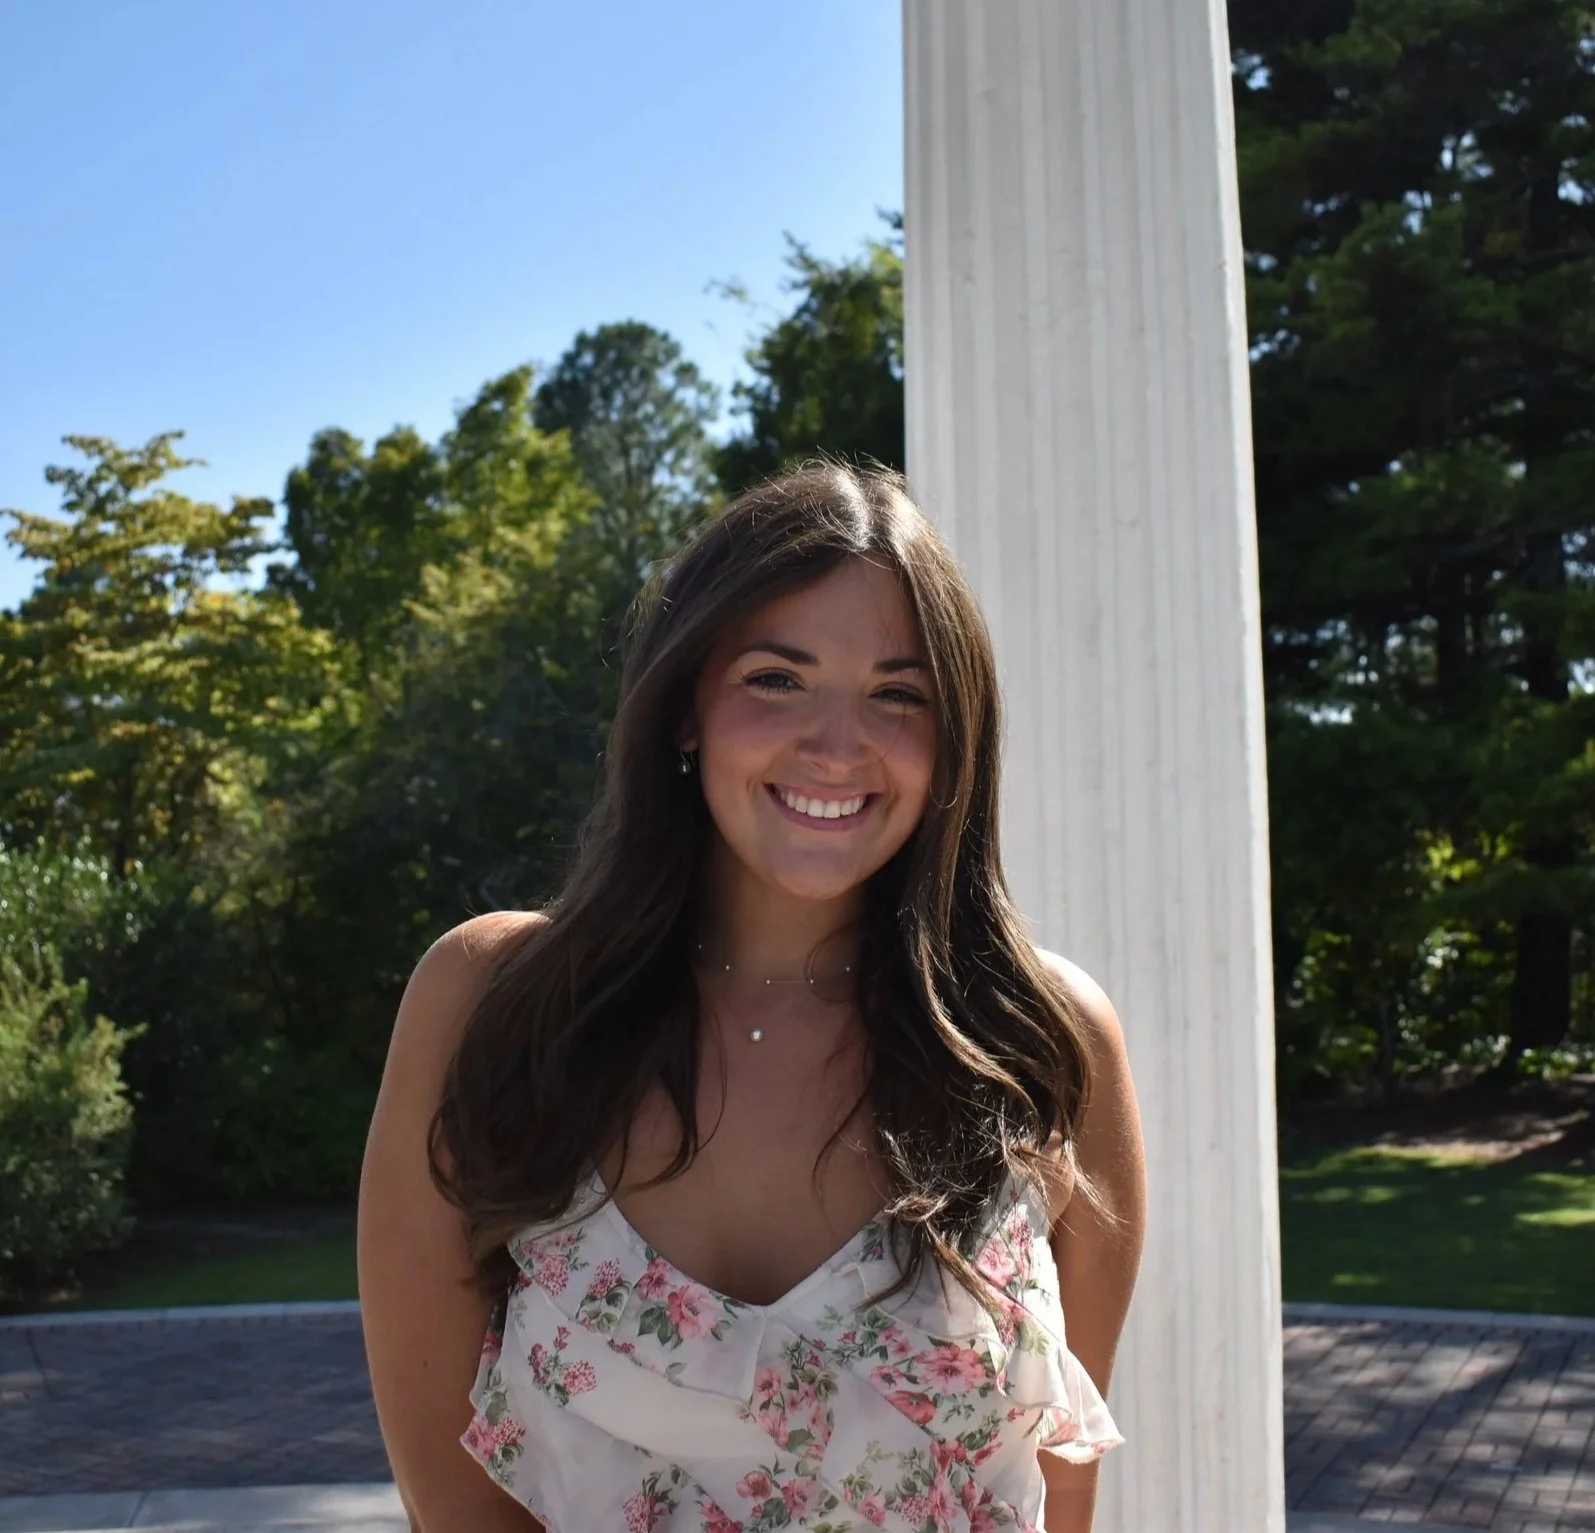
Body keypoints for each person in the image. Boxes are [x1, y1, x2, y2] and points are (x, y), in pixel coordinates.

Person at [358, 463, 1147, 1533]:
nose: (837, 744)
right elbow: (449, 1507)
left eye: (896, 694)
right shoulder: (494, 1006)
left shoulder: (1040, 1043)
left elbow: (1062, 1506)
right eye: (777, 678)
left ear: (953, 735)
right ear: (686, 709)